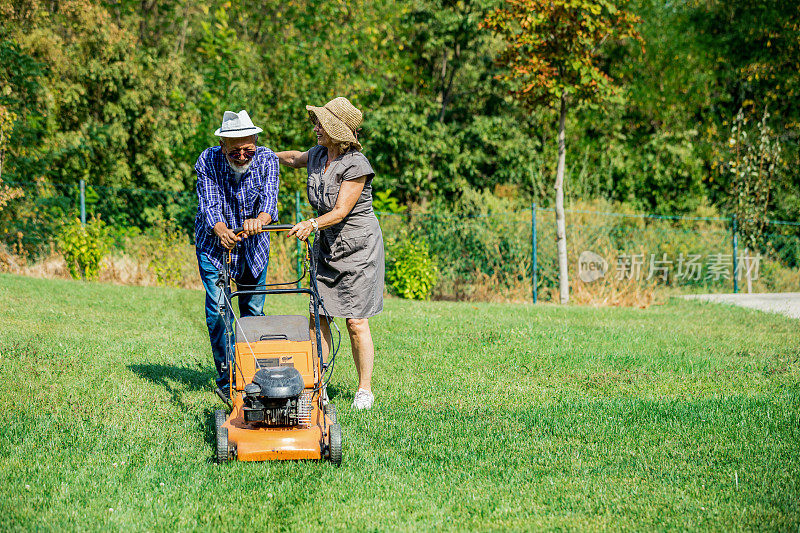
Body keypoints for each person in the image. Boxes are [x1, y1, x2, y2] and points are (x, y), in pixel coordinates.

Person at [276, 97, 384, 410]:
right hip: (327, 247)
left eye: (320, 124)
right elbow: (296, 158)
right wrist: (264, 155)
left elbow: (340, 211)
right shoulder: (319, 154)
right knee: (318, 316)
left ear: (336, 130)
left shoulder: (357, 165)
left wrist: (311, 223)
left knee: (356, 322)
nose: (315, 128)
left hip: (358, 248)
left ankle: (364, 389)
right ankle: (317, 383)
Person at [195, 110, 279, 399]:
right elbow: (209, 203)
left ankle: (253, 374)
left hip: (254, 248)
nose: (242, 156)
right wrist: (220, 229)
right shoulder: (207, 161)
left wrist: (263, 219)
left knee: (253, 313)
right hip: (214, 247)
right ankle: (226, 376)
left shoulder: (268, 159)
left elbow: (270, 199)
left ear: (255, 140)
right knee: (219, 310)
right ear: (222, 146)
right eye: (235, 152)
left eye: (248, 150)